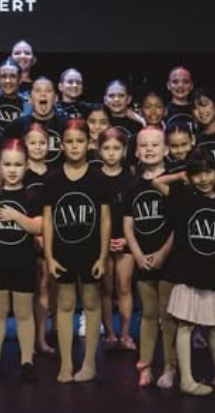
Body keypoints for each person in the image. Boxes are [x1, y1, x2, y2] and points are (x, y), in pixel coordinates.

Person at [164, 149, 215, 396]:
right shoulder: (185, 198)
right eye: (197, 174)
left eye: (208, 172)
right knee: (185, 325)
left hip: (214, 273)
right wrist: (181, 177)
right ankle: (186, 379)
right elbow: (156, 183)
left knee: (214, 326)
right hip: (188, 272)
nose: (203, 179)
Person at [43, 120, 109, 383]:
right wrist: (49, 257)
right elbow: (48, 220)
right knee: (65, 304)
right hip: (63, 251)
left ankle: (89, 363)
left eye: (79, 141)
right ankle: (66, 363)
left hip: (91, 251)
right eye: (69, 141)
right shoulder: (53, 179)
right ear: (61, 145)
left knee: (91, 303)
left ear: (89, 144)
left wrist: (103, 256)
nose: (74, 146)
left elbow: (105, 220)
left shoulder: (98, 179)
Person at [0, 139, 42, 381]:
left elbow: (39, 227)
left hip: (23, 261)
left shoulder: (32, 194)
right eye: (7, 164)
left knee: (24, 312)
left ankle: (27, 362)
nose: (12, 170)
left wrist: (15, 216)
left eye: (17, 165)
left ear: (26, 166)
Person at [123, 126, 176, 387]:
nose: (149, 149)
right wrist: (138, 254)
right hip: (143, 258)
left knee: (168, 315)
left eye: (155, 145)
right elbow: (128, 226)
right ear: (136, 151)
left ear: (165, 149)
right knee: (148, 313)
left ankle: (169, 366)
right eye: (144, 145)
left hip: (169, 257)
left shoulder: (174, 182)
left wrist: (163, 252)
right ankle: (145, 366)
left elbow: (180, 222)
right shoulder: (132, 186)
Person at [95, 127, 135, 351]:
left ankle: (126, 334)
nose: (111, 153)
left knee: (124, 287)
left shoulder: (131, 179)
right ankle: (109, 333)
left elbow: (136, 215)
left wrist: (127, 241)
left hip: (125, 239)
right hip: (101, 242)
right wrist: (103, 241)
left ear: (124, 150)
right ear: (99, 150)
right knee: (106, 289)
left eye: (116, 148)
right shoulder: (94, 177)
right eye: (107, 148)